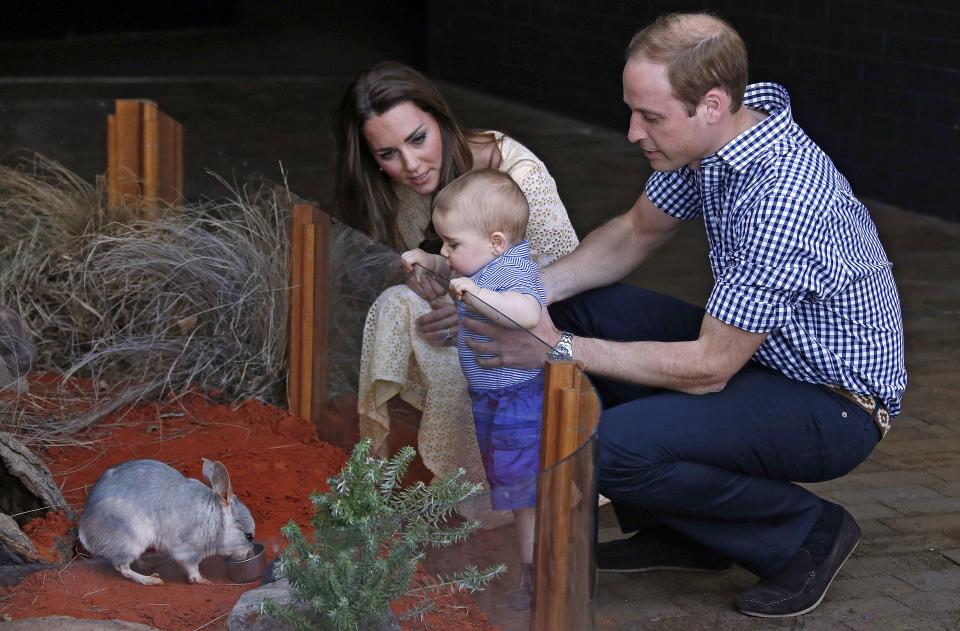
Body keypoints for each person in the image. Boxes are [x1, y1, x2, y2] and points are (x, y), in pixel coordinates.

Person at [464, 12, 907, 618]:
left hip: (831, 402)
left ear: (713, 104)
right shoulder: (717, 145)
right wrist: (516, 298)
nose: (631, 132)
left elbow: (710, 366)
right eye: (632, 111)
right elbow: (634, 232)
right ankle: (690, 532)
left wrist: (556, 347)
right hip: (763, 355)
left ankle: (807, 532)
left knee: (608, 448)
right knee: (575, 304)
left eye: (650, 116)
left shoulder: (782, 194)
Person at [333, 62, 579, 526]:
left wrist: (473, 309)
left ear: (440, 119)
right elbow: (439, 268)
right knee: (393, 305)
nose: (409, 165)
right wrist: (426, 283)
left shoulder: (518, 177)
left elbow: (564, 292)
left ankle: (500, 502)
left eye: (418, 139)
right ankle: (377, 470)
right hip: (467, 332)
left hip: (536, 347)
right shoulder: (402, 186)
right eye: (387, 153)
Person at [402, 168, 546, 610]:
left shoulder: (514, 269)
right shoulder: (482, 262)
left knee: (523, 492)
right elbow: (455, 269)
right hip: (490, 397)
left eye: (452, 244)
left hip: (518, 399)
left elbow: (527, 311)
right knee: (508, 485)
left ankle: (534, 575)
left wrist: (474, 296)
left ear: (497, 242)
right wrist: (427, 263)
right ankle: (529, 565)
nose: (446, 252)